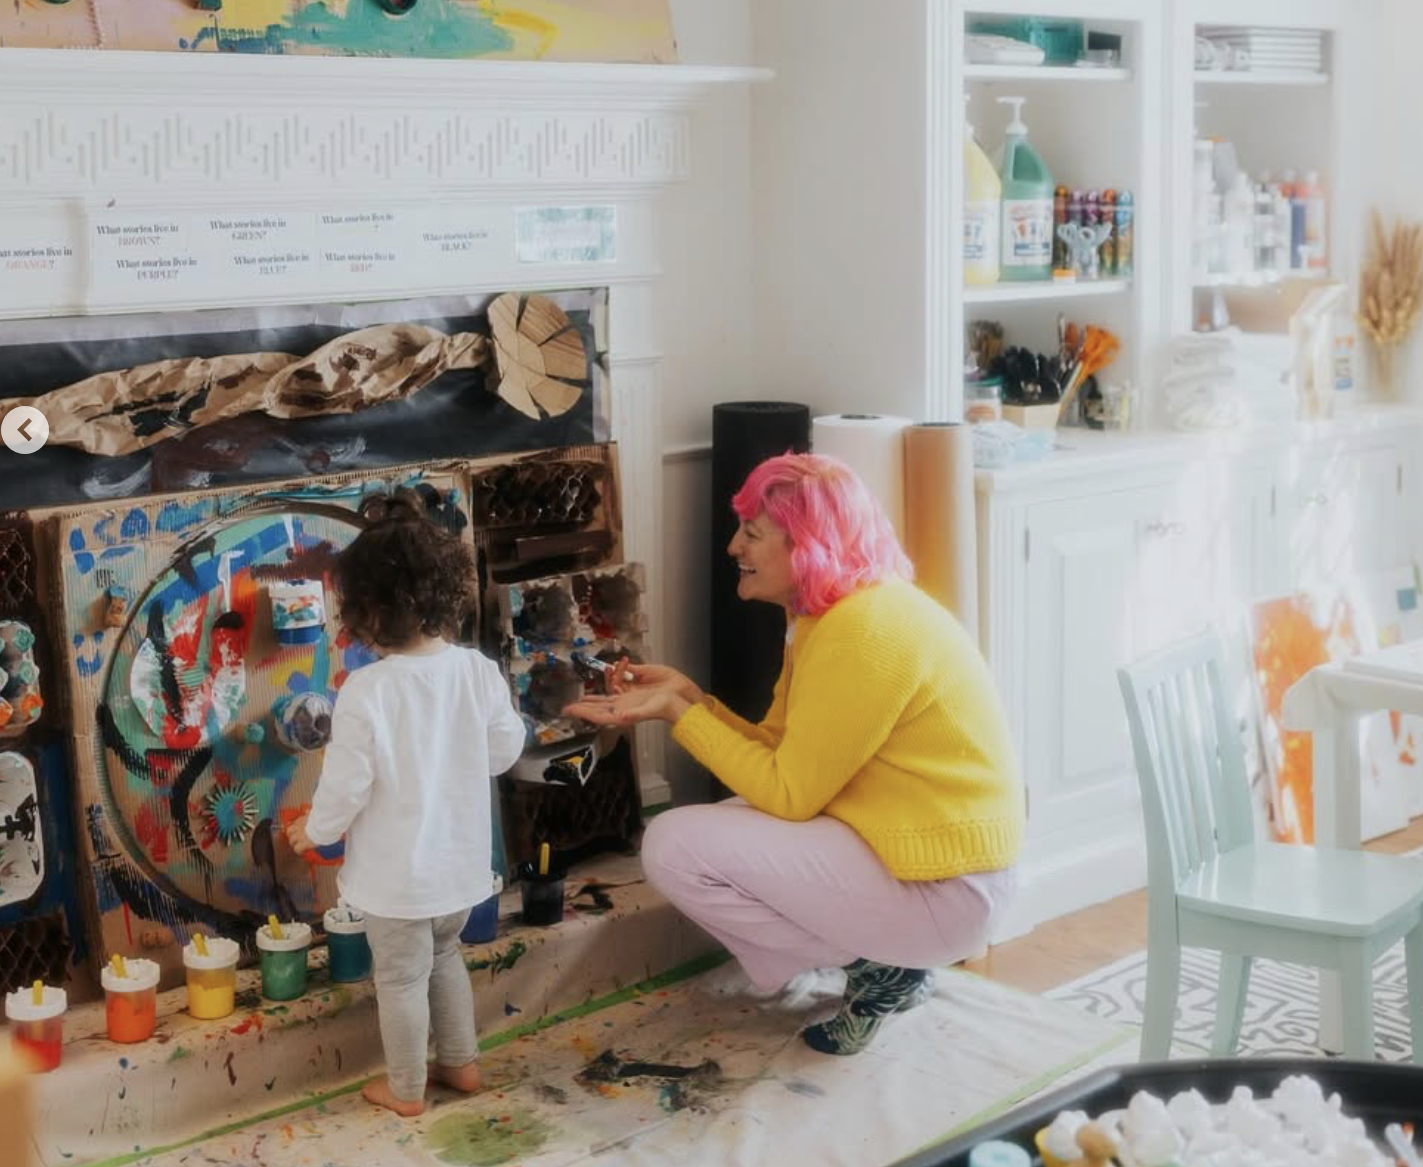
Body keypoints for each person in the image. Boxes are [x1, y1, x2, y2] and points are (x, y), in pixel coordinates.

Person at [566, 452, 1024, 1055]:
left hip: (949, 890)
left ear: (805, 544)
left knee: (673, 843)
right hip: (924, 863)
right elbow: (785, 755)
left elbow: (788, 794)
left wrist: (681, 716)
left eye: (752, 534)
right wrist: (690, 697)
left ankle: (878, 966)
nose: (734, 547)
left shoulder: (863, 630)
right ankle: (885, 962)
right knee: (721, 822)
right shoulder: (835, 616)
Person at [286, 500, 525, 1115]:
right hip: (460, 873)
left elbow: (346, 787)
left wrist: (313, 833)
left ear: (369, 612)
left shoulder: (367, 691)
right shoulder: (478, 671)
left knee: (399, 979)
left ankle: (406, 1088)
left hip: (398, 883)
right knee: (446, 958)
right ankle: (462, 1066)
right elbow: (504, 752)